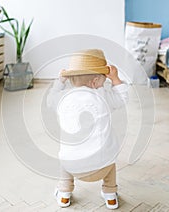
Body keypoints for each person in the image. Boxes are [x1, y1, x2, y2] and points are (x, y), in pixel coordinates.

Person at [47, 49, 129, 210]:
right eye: (104, 79)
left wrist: (60, 81)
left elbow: (50, 99)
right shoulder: (103, 97)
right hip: (102, 167)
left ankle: (64, 194)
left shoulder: (62, 99)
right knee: (110, 160)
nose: (105, 82)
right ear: (95, 81)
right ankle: (110, 195)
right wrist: (115, 79)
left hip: (73, 167)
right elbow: (123, 98)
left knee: (65, 156)